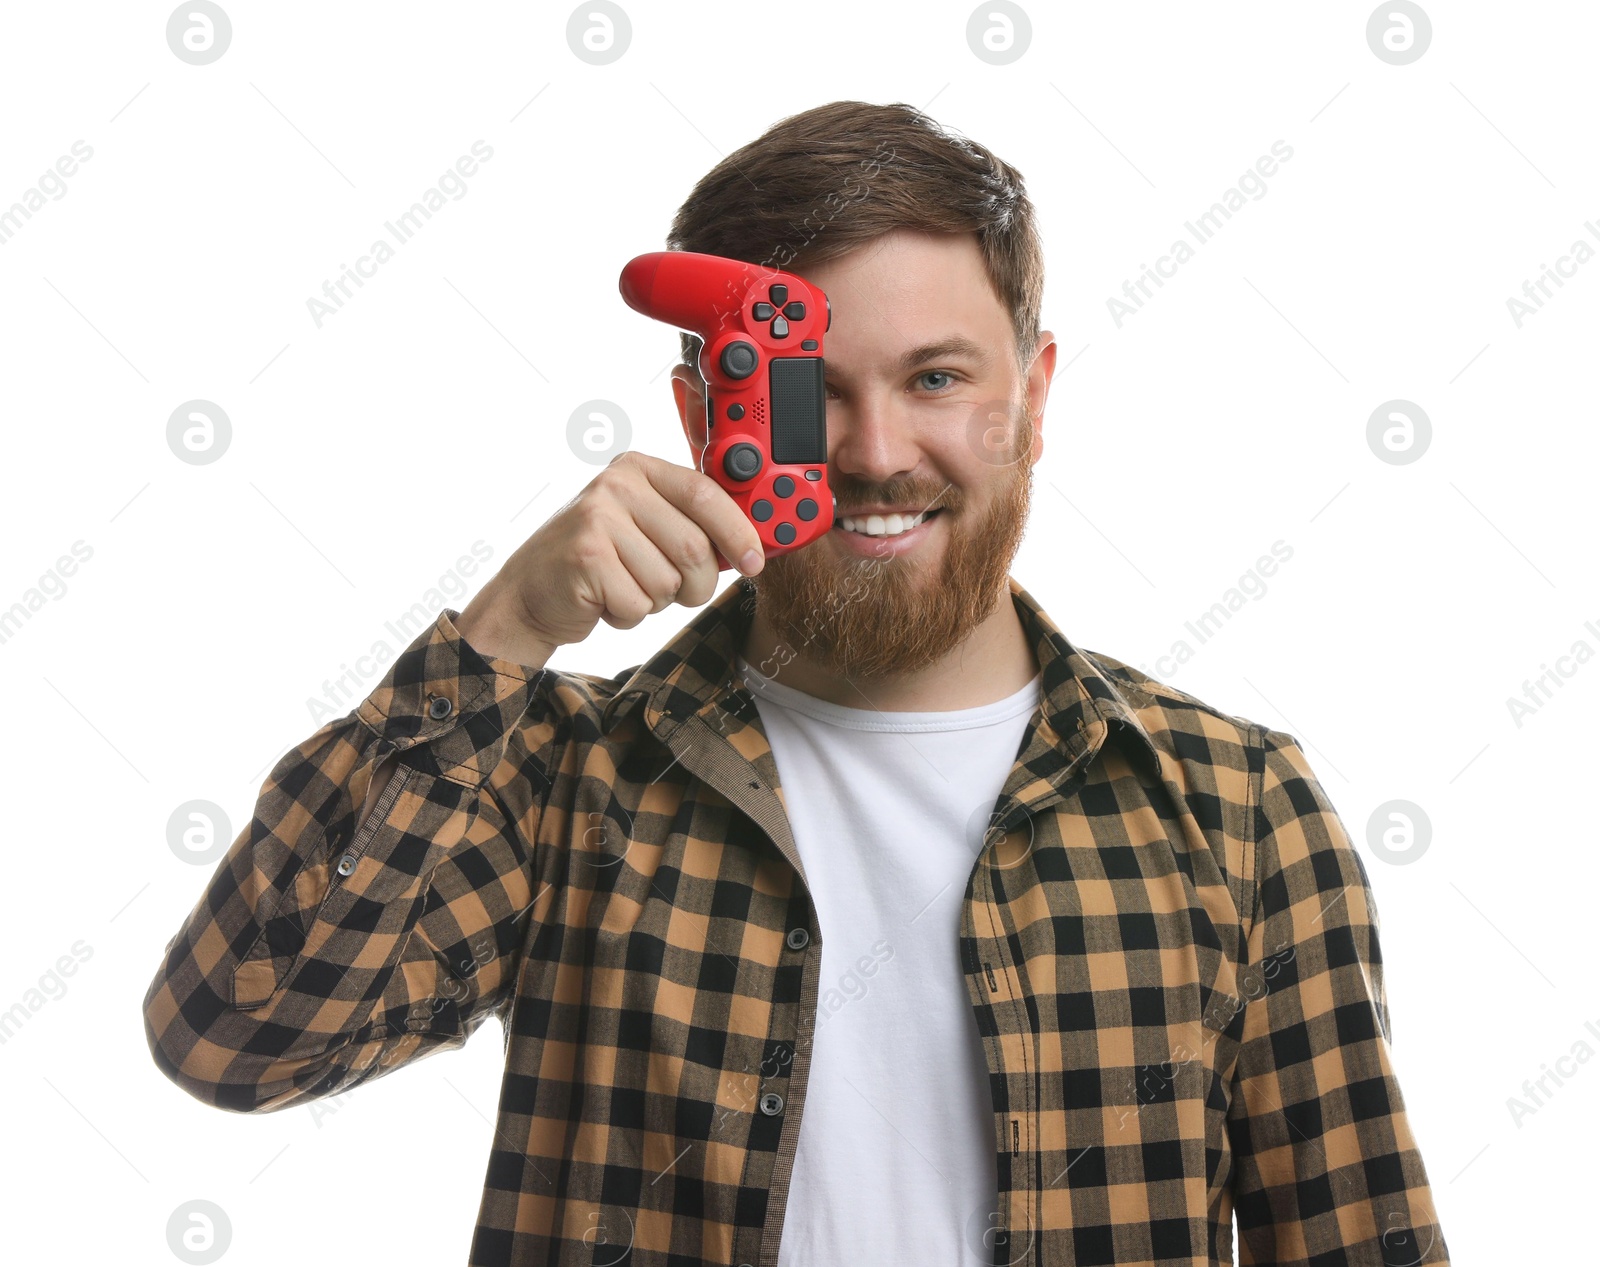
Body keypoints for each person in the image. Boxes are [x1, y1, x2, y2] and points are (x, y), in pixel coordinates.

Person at [143, 100, 1449, 1266]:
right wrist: (501, 634)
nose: (877, 453)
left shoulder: (1237, 808)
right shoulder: (557, 781)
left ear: (1032, 401)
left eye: (936, 379)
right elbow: (236, 1037)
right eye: (809, 396)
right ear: (711, 415)